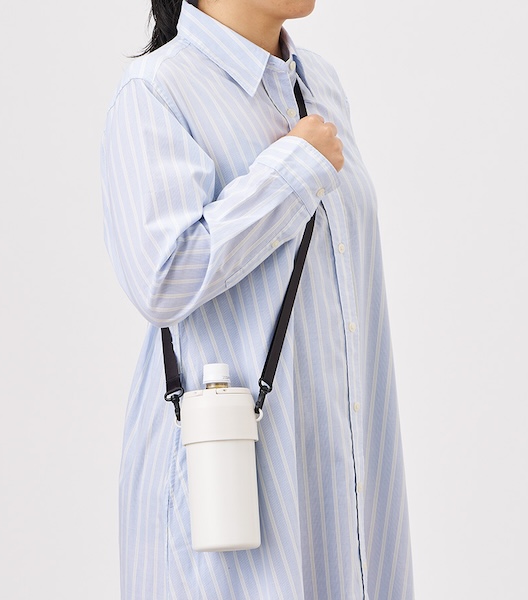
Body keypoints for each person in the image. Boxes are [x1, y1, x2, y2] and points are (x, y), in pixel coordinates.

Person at [99, 0, 415, 598]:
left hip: (340, 477)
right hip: (227, 488)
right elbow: (162, 276)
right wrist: (293, 169)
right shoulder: (158, 89)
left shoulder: (318, 83)